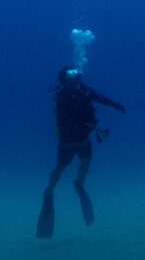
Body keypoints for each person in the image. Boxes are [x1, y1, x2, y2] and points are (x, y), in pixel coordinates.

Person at [36, 66, 125, 238]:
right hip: (68, 141)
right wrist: (77, 124)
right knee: (60, 168)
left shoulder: (83, 89)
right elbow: (62, 116)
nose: (76, 78)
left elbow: (98, 97)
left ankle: (79, 183)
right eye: (71, 75)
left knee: (86, 163)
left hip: (84, 138)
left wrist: (114, 104)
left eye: (76, 74)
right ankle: (49, 191)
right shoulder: (61, 96)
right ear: (64, 80)